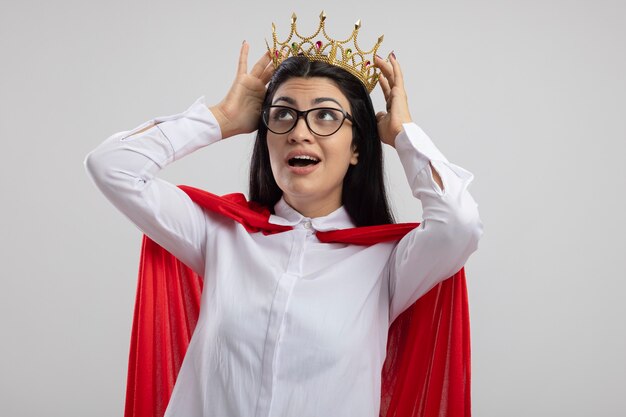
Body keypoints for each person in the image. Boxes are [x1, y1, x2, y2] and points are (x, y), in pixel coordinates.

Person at [85, 38, 482, 417]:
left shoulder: (387, 264)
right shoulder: (220, 234)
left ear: (357, 147)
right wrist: (220, 119)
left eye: (326, 115)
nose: (299, 131)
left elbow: (458, 223)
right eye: (283, 114)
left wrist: (403, 135)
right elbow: (112, 166)